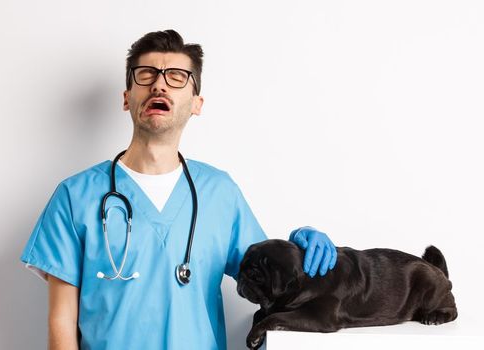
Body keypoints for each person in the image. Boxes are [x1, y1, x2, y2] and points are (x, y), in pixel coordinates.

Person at [20, 29, 338, 350]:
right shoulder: (75, 197)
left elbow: (272, 277)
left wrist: (300, 248)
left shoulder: (220, 192)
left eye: (176, 76)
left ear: (196, 103)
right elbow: (60, 321)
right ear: (127, 97)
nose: (159, 84)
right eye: (146, 75)